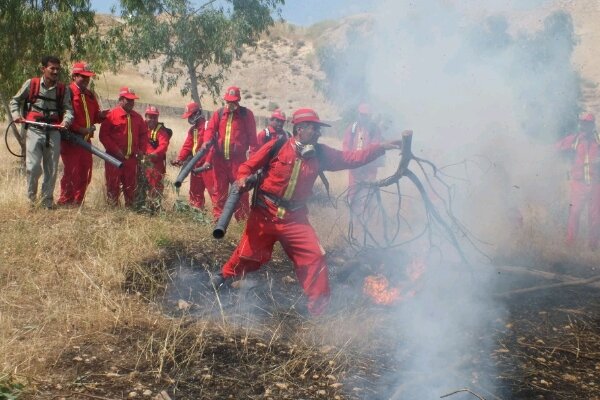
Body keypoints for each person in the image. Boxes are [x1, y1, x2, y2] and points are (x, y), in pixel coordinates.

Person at [211, 108, 403, 316]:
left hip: (295, 219)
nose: (318, 133)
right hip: (265, 213)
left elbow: (351, 158)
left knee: (315, 259)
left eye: (319, 129)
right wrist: (242, 179)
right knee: (248, 255)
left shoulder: (320, 153)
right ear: (299, 129)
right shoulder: (277, 146)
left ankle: (318, 313)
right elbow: (247, 167)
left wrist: (381, 147)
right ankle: (221, 279)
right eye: (314, 128)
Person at [9, 55, 74, 209]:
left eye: (58, 69)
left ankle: (47, 203)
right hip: (34, 130)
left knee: (51, 169)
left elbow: (68, 109)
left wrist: (66, 121)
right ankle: (31, 202)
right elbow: (15, 101)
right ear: (43, 69)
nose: (55, 71)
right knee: (33, 168)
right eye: (52, 68)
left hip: (53, 132)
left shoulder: (62, 89)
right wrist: (17, 116)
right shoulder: (32, 84)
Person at [202, 86, 258, 220]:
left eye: (233, 101)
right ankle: (218, 221)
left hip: (238, 162)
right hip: (219, 160)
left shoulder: (246, 115)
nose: (230, 104)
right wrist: (206, 141)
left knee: (241, 192)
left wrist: (253, 163)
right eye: (228, 101)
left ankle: (242, 220)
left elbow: (253, 141)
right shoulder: (219, 113)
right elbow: (210, 130)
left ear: (238, 100)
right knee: (219, 191)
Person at [57, 62, 106, 206]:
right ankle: (65, 201)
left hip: (86, 142)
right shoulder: (68, 92)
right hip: (71, 141)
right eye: (83, 77)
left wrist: (103, 116)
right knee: (71, 173)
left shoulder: (90, 95)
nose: (86, 80)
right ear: (74, 76)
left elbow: (95, 116)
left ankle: (78, 202)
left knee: (85, 173)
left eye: (88, 77)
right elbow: (63, 117)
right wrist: (80, 129)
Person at [556, 112, 600, 248]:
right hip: (578, 184)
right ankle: (570, 245)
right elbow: (555, 148)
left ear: (592, 125)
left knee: (595, 217)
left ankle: (592, 247)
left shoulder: (598, 140)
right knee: (574, 214)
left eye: (587, 124)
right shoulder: (574, 140)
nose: (584, 126)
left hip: (595, 184)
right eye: (582, 123)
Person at [99, 87, 147, 207]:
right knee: (112, 186)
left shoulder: (137, 117)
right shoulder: (111, 115)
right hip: (113, 159)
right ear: (120, 100)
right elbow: (103, 136)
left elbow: (143, 135)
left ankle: (130, 210)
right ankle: (113, 210)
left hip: (131, 159)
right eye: (128, 100)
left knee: (130, 187)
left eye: (133, 100)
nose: (131, 103)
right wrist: (115, 150)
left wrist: (141, 150)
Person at [171, 101, 214, 210]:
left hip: (208, 166)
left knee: (215, 193)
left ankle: (218, 220)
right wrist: (180, 159)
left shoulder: (208, 126)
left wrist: (208, 161)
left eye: (190, 116)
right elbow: (187, 146)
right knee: (195, 194)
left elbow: (213, 147)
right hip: (195, 165)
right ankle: (197, 214)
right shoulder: (193, 130)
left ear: (197, 113)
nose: (189, 119)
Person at [342, 103, 383, 212]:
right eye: (362, 115)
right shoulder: (352, 128)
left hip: (369, 167)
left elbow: (375, 148)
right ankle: (353, 214)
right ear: (358, 114)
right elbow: (346, 146)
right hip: (354, 166)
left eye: (366, 115)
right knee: (353, 191)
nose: (364, 117)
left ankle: (367, 215)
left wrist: (364, 160)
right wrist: (351, 160)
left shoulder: (375, 129)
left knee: (368, 192)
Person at [143, 105, 171, 207]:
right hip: (141, 161)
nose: (152, 120)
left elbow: (164, 145)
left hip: (155, 164)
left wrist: (152, 154)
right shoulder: (141, 127)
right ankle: (141, 206)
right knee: (140, 186)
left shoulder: (161, 131)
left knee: (155, 188)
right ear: (145, 116)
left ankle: (153, 209)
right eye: (150, 117)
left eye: (155, 117)